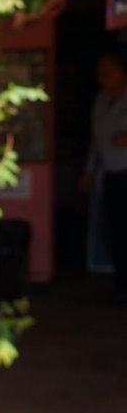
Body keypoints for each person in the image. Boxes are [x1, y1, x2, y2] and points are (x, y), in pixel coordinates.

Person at [83, 50, 127, 304]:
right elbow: (96, 141)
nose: (102, 78)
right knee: (115, 232)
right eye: (100, 73)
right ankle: (121, 288)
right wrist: (89, 171)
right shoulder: (101, 101)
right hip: (111, 174)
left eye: (108, 72)